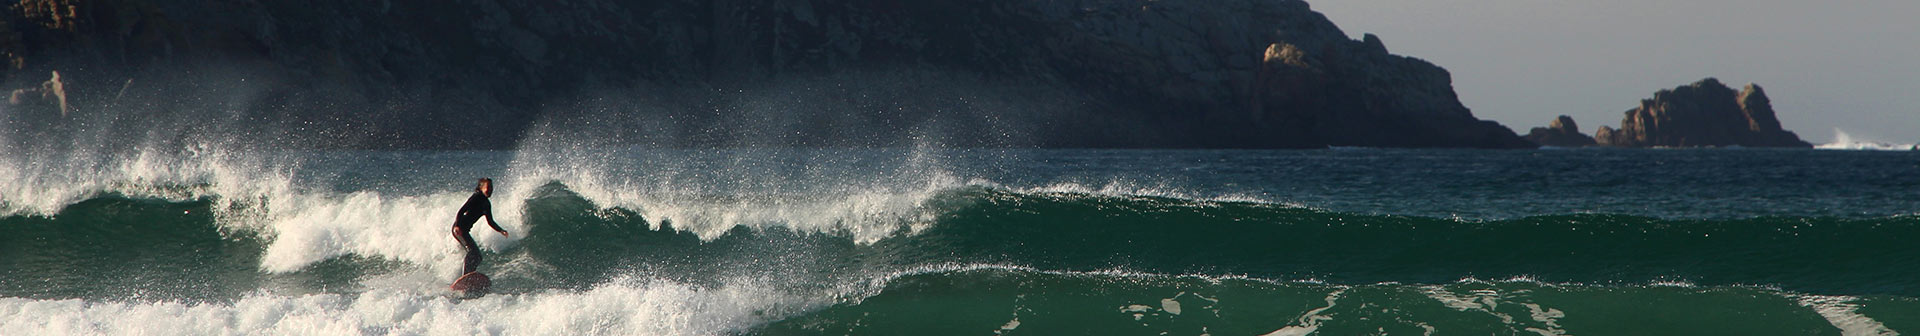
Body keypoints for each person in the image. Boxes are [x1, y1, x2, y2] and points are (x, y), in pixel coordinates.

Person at [452, 178, 510, 275]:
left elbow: (490, 221)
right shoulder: (476, 197)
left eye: (491, 188)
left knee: (478, 257)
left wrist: (501, 230)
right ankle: (466, 275)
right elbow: (461, 211)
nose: (490, 190)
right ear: (481, 188)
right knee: (472, 252)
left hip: (465, 231)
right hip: (459, 229)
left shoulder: (486, 204)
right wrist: (457, 226)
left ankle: (471, 274)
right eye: (488, 188)